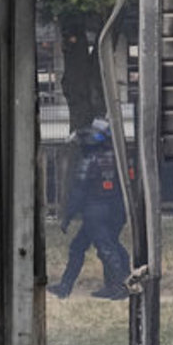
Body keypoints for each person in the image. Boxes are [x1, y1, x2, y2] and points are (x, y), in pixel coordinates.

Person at [50, 121, 129, 300]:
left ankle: (122, 285)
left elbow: (78, 193)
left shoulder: (89, 161)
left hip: (95, 213)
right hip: (114, 210)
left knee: (106, 248)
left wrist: (67, 217)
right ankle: (65, 286)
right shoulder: (118, 158)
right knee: (85, 246)